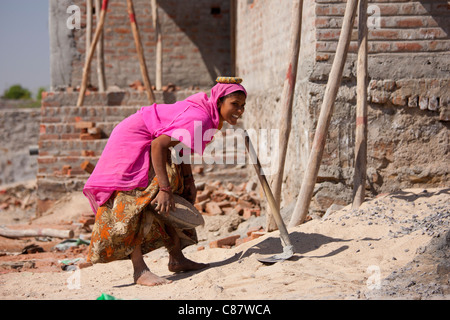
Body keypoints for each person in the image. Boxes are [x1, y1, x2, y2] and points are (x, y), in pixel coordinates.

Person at [83, 80, 247, 286]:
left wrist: (189, 180)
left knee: (171, 190)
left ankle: (177, 259)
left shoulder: (206, 114)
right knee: (135, 199)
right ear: (220, 101)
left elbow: (181, 147)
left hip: (148, 142)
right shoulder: (202, 118)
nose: (239, 110)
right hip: (131, 140)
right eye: (235, 104)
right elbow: (158, 145)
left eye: (242, 105)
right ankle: (139, 270)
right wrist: (164, 188)